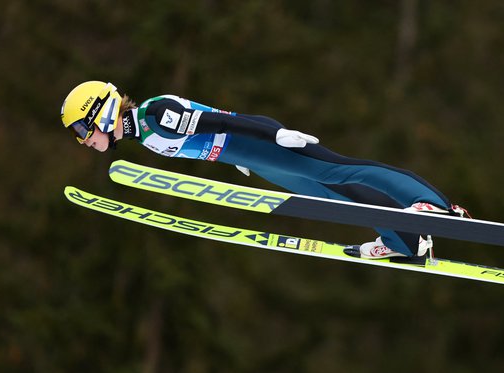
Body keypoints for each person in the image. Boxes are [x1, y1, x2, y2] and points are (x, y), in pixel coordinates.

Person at [61, 81, 469, 259]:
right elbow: (212, 133)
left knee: (340, 171)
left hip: (259, 143)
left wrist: (275, 135)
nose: (84, 140)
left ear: (102, 111)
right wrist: (235, 157)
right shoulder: (143, 133)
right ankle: (405, 242)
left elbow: (227, 122)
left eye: (82, 129)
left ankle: (436, 207)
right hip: (249, 157)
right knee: (325, 193)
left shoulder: (156, 114)